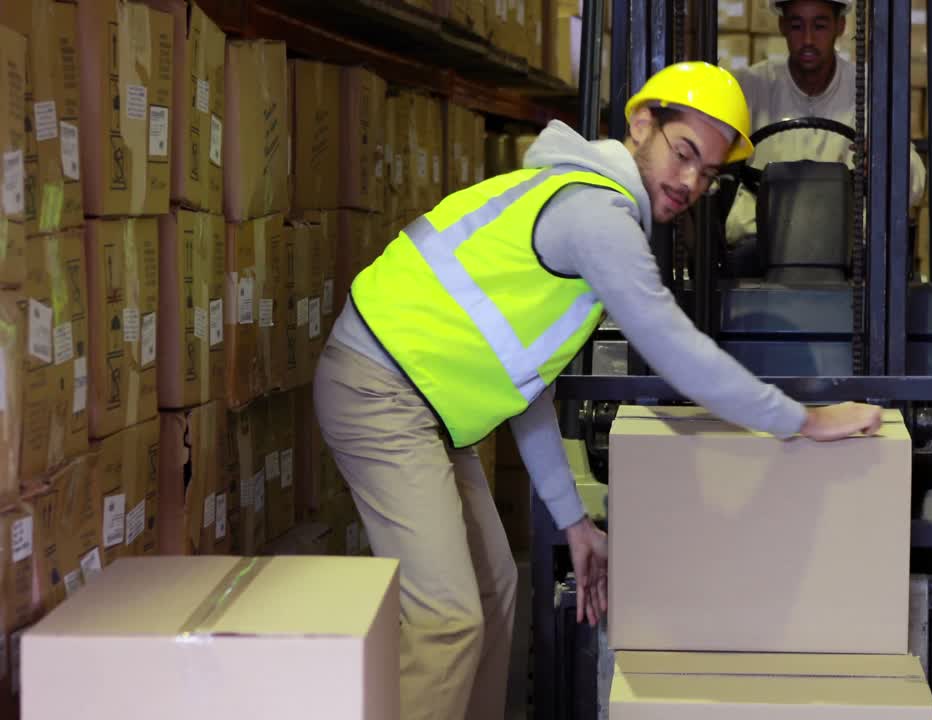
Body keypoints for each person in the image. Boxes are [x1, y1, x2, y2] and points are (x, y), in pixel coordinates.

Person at [312, 61, 884, 720]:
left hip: (432, 400)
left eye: (710, 173)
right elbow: (678, 353)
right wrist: (803, 421)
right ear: (643, 123)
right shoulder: (596, 216)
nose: (693, 182)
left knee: (497, 585)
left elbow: (521, 382)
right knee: (446, 618)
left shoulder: (579, 201)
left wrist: (574, 522)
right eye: (685, 153)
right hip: (382, 389)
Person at [725, 0, 926, 245]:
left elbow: (914, 183)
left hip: (845, 253)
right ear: (782, 25)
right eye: (797, 26)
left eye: (819, 26)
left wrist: (885, 160)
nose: (808, 39)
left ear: (840, 26)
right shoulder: (749, 87)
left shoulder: (870, 89)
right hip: (758, 246)